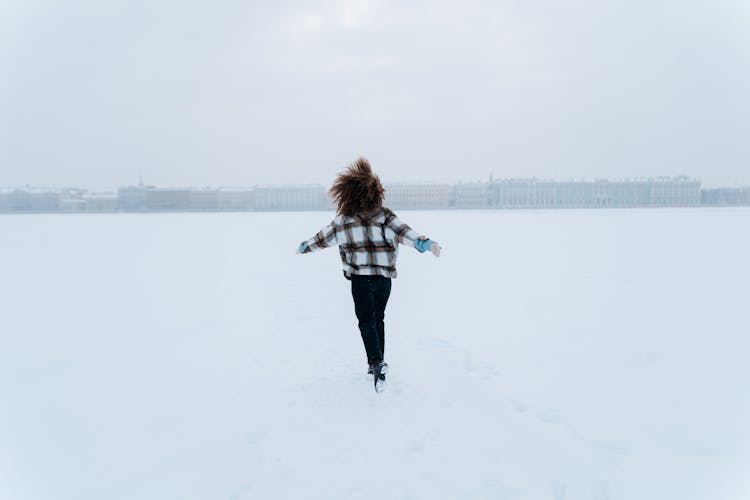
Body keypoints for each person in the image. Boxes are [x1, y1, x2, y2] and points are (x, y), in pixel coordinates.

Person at [296, 157, 441, 390]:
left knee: (366, 320)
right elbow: (406, 233)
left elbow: (322, 239)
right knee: (378, 318)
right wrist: (426, 244)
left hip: (361, 279)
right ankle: (378, 362)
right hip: (383, 279)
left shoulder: (344, 220)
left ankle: (376, 362)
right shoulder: (385, 217)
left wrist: (305, 246)